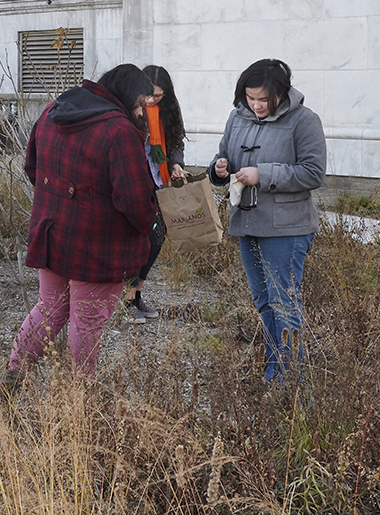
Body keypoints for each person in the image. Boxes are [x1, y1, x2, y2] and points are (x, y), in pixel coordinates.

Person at [0, 65, 159, 391]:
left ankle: (11, 378)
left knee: (49, 311)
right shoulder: (119, 130)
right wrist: (149, 224)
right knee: (86, 324)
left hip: (52, 233)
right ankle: (77, 403)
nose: (143, 112)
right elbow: (136, 201)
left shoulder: (54, 111)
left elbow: (32, 166)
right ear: (127, 97)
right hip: (98, 246)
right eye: (142, 104)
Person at [210, 59, 327, 382]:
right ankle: (274, 367)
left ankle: (290, 375)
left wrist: (264, 174)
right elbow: (224, 157)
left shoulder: (304, 121)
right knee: (263, 301)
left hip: (287, 228)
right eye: (251, 98)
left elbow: (314, 173)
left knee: (284, 302)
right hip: (247, 224)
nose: (257, 105)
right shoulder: (237, 118)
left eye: (264, 99)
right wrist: (218, 169)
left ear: (281, 93)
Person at [123, 64, 188, 321]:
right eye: (148, 94)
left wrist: (176, 163)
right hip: (136, 180)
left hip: (159, 181)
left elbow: (176, 142)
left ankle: (136, 294)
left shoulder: (168, 111)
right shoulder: (130, 110)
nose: (151, 100)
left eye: (158, 95)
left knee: (157, 238)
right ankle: (128, 299)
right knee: (139, 239)